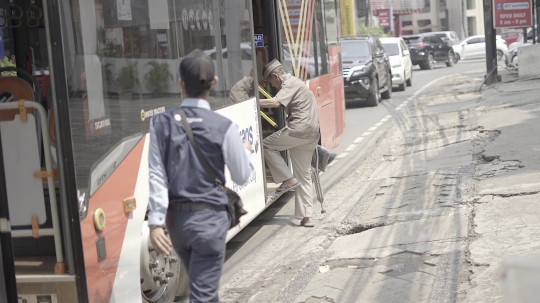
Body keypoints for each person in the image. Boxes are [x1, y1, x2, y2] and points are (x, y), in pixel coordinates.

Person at [147, 49, 255, 303]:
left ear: (181, 84)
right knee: (204, 295)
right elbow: (241, 176)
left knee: (201, 288)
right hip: (209, 223)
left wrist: (155, 223)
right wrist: (246, 152)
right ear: (214, 82)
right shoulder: (224, 126)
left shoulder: (160, 124)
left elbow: (157, 176)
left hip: (178, 225)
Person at [259, 59, 320, 227]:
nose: (272, 86)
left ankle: (287, 179)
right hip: (311, 134)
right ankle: (307, 217)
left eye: (271, 81)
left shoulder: (289, 83)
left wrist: (252, 104)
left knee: (265, 145)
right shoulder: (296, 82)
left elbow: (276, 102)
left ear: (275, 76)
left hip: (298, 131)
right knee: (304, 175)